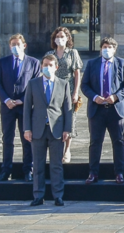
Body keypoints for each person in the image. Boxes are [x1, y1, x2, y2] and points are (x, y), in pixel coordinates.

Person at [24, 52, 74, 207]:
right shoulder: (33, 84)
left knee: (56, 165)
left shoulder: (63, 84)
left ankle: (58, 195)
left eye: (50, 65)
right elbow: (27, 108)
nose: (47, 68)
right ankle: (38, 195)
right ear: (41, 67)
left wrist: (67, 129)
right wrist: (27, 129)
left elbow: (67, 109)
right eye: (45, 65)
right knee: (38, 165)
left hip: (56, 130)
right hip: (38, 129)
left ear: (56, 67)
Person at [81, 36, 124, 184]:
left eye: (109, 47)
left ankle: (119, 173)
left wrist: (116, 97)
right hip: (97, 110)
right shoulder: (92, 64)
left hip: (116, 110)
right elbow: (85, 85)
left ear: (114, 49)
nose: (106, 50)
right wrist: (94, 97)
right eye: (104, 47)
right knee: (95, 142)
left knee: (118, 142)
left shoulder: (123, 64)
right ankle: (93, 173)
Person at [0, 34, 39, 182]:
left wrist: (22, 100)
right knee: (7, 138)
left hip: (25, 107)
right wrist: (6, 100)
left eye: (18, 44)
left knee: (27, 138)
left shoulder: (33, 63)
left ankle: (28, 170)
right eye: (12, 44)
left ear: (24, 45)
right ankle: (6, 170)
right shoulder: (3, 62)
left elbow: (35, 83)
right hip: (7, 107)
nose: (15, 47)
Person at [49, 26, 83, 163]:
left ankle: (67, 149)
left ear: (68, 38)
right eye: (57, 37)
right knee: (55, 119)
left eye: (62, 37)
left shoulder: (72, 53)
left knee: (70, 119)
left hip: (68, 89)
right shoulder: (50, 54)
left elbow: (77, 74)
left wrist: (75, 92)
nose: (60, 39)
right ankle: (56, 149)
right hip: (54, 90)